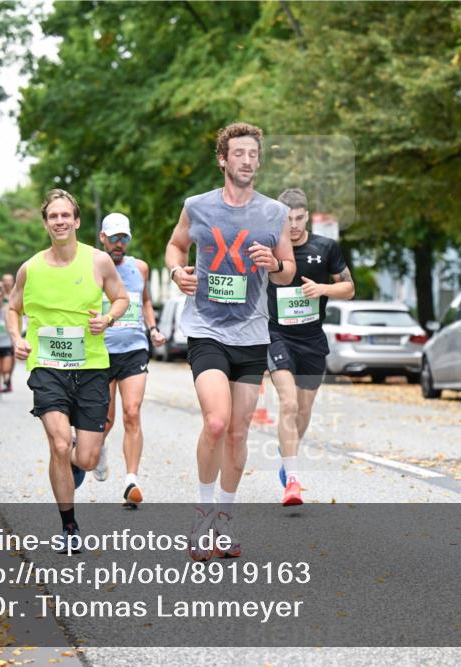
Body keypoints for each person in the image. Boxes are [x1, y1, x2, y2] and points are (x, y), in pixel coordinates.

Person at [164, 122, 295, 560]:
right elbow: (175, 246)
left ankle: (225, 520)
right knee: (216, 422)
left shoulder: (274, 213)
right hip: (206, 327)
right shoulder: (197, 206)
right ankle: (201, 515)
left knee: (238, 434)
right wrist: (177, 271)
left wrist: (273, 261)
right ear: (223, 159)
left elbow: (288, 271)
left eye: (252, 154)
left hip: (251, 332)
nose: (246, 160)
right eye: (238, 153)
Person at [6, 189, 129, 554]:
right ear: (46, 223)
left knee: (86, 458)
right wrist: (16, 337)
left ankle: (84, 455)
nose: (60, 221)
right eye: (53, 216)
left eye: (66, 215)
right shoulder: (30, 268)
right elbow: (13, 308)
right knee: (60, 443)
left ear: (76, 221)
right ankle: (69, 527)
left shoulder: (98, 262)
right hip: (47, 367)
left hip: (90, 367)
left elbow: (121, 298)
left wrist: (107, 317)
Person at [266, 188, 355, 506]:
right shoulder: (269, 248)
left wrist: (322, 288)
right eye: (287, 219)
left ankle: (285, 452)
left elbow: (349, 288)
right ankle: (292, 479)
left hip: (312, 339)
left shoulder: (325, 246)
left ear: (307, 215)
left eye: (299, 218)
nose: (293, 225)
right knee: (288, 405)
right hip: (278, 336)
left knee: (303, 410)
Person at [99, 212, 167, 508]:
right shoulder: (92, 268)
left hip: (134, 348)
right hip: (101, 352)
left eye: (123, 238)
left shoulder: (139, 268)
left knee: (132, 411)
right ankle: (97, 447)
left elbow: (147, 301)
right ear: (103, 238)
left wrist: (152, 329)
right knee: (106, 419)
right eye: (113, 237)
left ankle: (131, 479)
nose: (119, 243)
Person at [0, 273, 18, 392]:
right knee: (3, 357)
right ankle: (4, 378)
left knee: (14, 357)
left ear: (13, 281)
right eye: (5, 281)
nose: (7, 283)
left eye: (9, 280)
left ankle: (9, 378)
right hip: (1, 331)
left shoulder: (17, 293)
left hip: (15, 329)